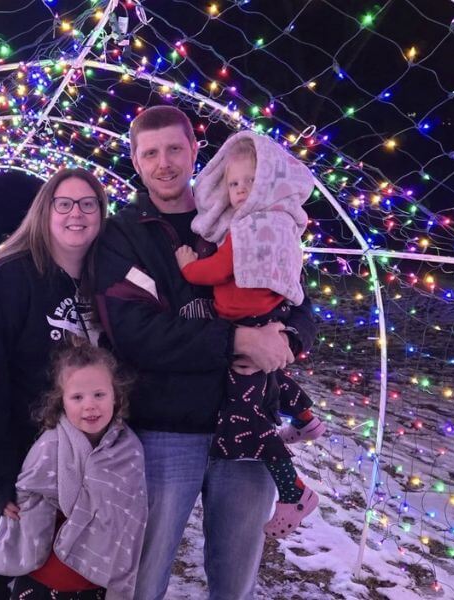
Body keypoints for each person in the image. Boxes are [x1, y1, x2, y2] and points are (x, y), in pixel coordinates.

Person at [93, 105, 318, 599]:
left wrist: (287, 340)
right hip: (164, 430)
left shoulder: (246, 214)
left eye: (175, 148)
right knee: (141, 576)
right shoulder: (122, 235)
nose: (164, 162)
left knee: (234, 580)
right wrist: (238, 340)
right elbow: (136, 334)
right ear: (134, 159)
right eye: (150, 153)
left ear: (196, 151)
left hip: (248, 428)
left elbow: (299, 299)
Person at [0, 168, 109, 600]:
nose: (75, 214)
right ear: (45, 212)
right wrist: (0, 476)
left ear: (101, 212)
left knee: (69, 582)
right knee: (11, 582)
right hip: (15, 462)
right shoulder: (6, 281)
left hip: (81, 465)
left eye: (87, 203)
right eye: (64, 203)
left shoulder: (106, 282)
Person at [174, 131, 325, 538]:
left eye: (249, 183)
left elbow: (215, 272)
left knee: (247, 417)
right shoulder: (284, 226)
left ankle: (294, 491)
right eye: (233, 183)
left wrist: (187, 265)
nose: (239, 191)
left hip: (248, 322)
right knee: (266, 377)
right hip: (267, 319)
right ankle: (306, 418)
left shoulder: (245, 229)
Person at [0, 342, 147, 600]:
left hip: (94, 581)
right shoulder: (50, 446)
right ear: (61, 401)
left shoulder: (128, 451)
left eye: (99, 394)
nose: (90, 406)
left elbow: (131, 518)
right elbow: (27, 500)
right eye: (77, 397)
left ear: (116, 395)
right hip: (44, 579)